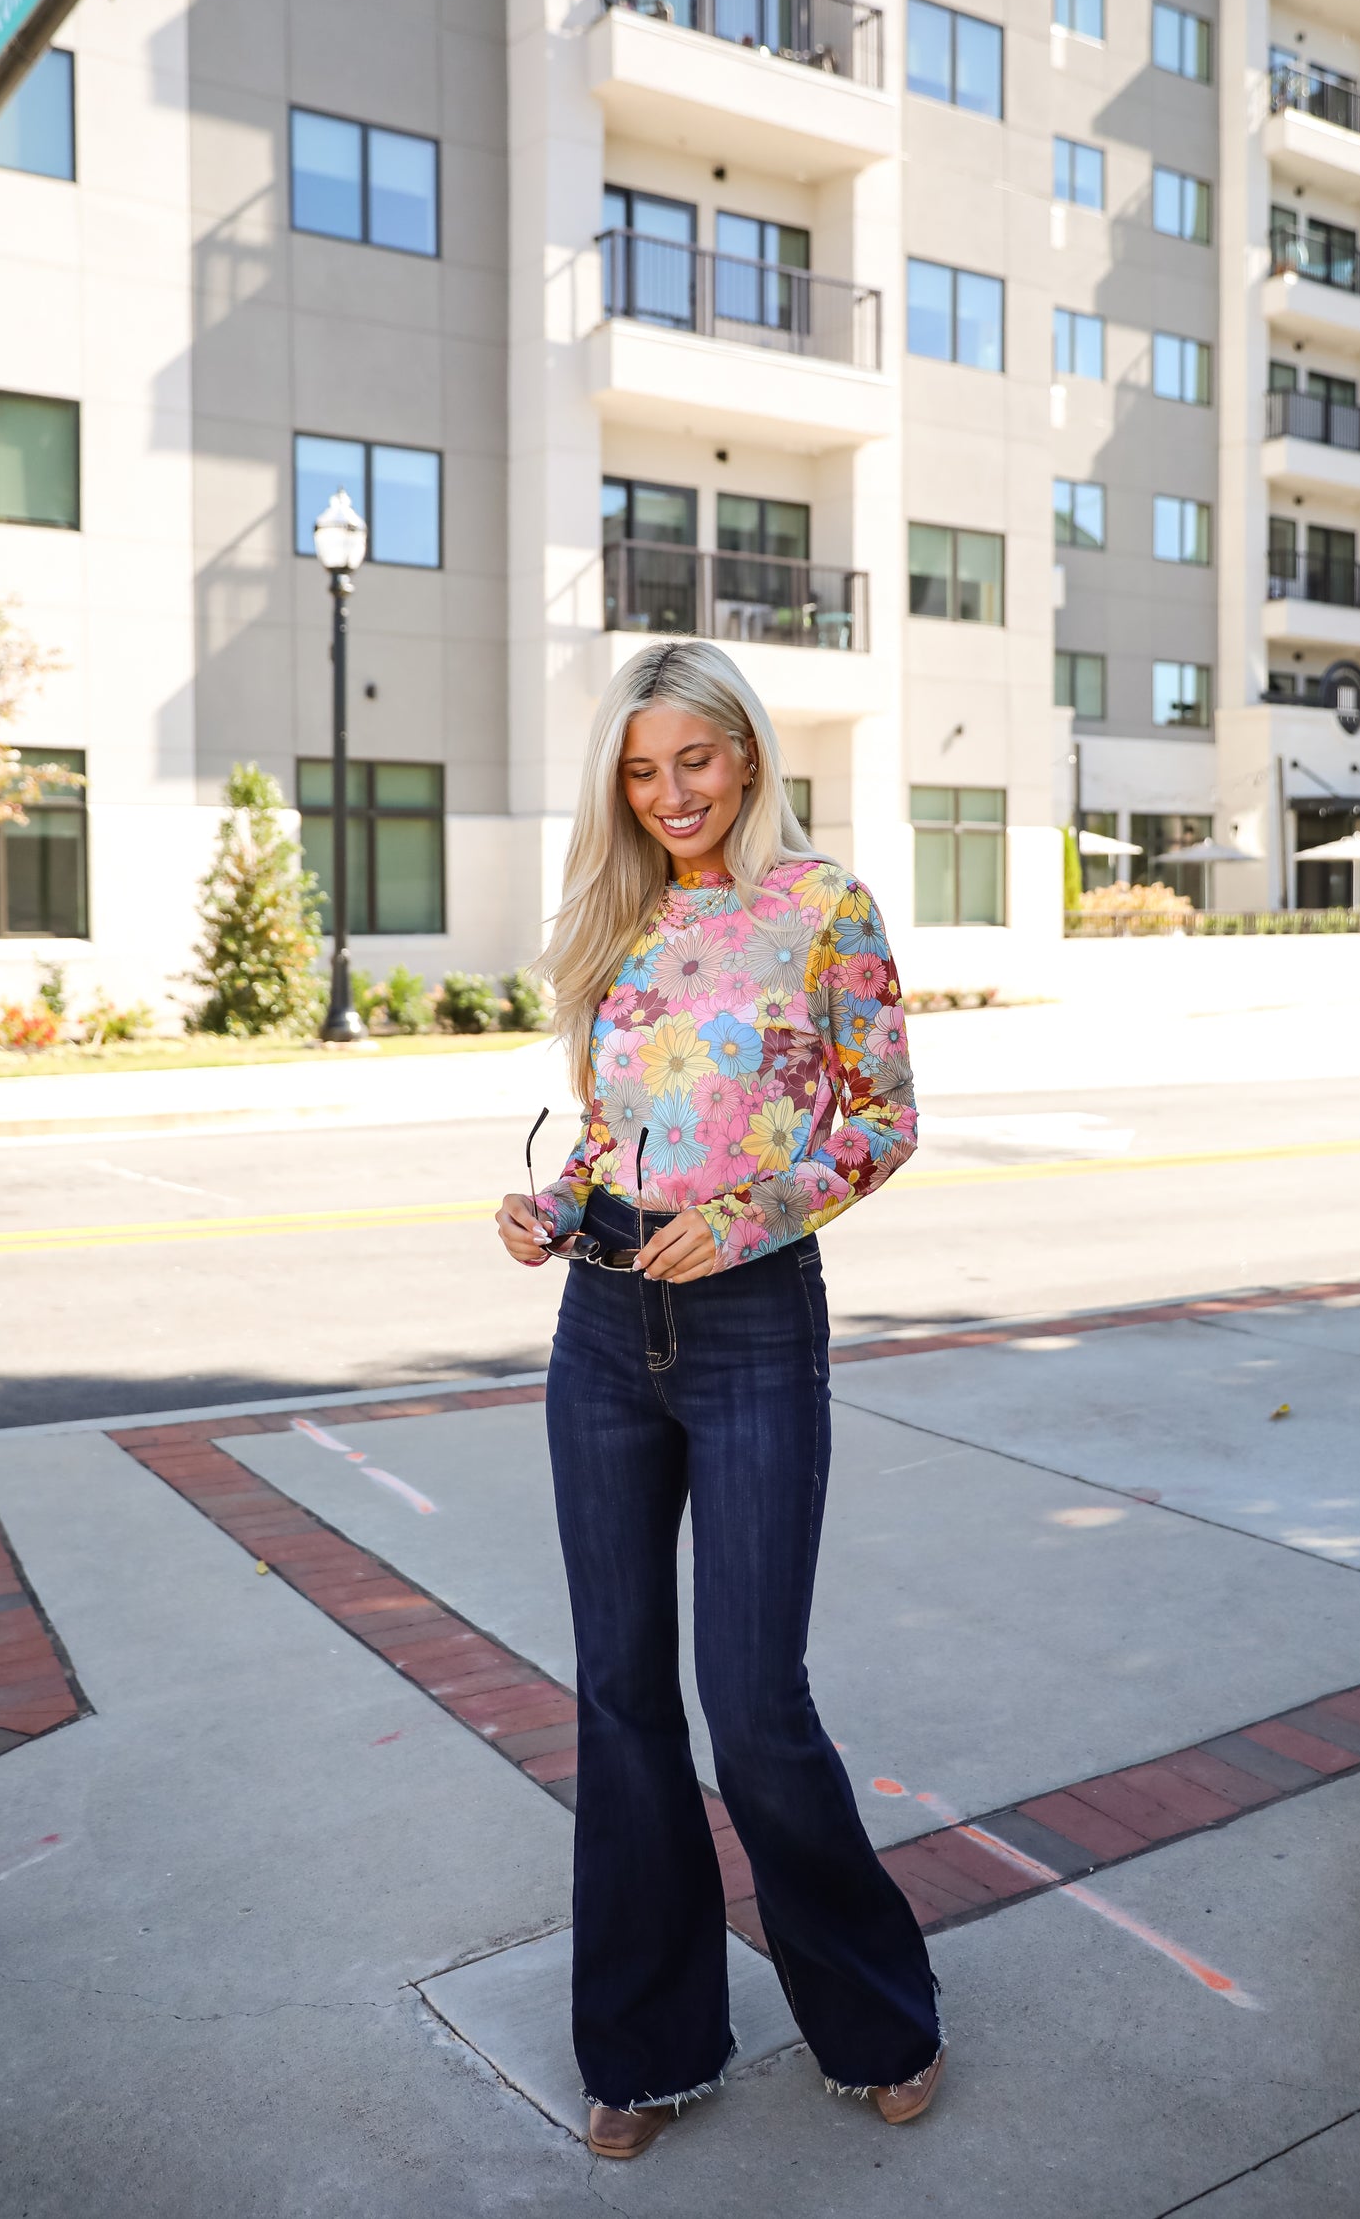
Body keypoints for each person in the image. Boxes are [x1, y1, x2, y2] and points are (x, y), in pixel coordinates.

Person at [496, 639, 943, 2159]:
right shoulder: (624, 918)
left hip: (750, 1322)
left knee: (754, 1708)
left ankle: (875, 2012)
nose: (669, 793)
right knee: (620, 1695)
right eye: (639, 769)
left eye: (692, 759)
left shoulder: (826, 909)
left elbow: (882, 1124)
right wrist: (551, 1207)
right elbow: (618, 1137)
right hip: (602, 1327)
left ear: (747, 754)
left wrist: (747, 1221)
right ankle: (644, 2045)